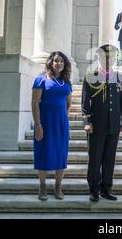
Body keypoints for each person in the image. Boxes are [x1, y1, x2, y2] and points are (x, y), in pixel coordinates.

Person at [81, 44, 122, 202]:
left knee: (109, 159)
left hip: (113, 125)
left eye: (110, 57)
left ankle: (106, 188)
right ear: (98, 58)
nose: (107, 60)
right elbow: (85, 101)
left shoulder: (120, 78)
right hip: (96, 125)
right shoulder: (91, 76)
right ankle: (94, 189)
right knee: (95, 159)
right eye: (104, 57)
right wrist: (86, 121)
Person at [31, 51, 73, 201]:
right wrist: (38, 125)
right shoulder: (40, 80)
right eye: (56, 61)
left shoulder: (66, 82)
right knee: (43, 152)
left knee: (61, 155)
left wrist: (65, 119)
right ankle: (42, 187)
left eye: (62, 61)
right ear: (50, 62)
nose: (59, 63)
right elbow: (35, 103)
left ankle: (58, 187)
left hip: (61, 124)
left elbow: (68, 104)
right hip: (45, 123)